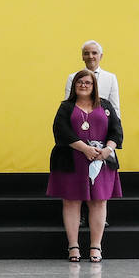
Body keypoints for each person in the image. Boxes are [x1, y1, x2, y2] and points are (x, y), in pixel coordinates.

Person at [47, 70, 122, 263]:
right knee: (71, 201)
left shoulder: (105, 106)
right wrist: (84, 148)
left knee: (99, 201)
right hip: (70, 160)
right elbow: (60, 131)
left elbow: (116, 131)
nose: (83, 85)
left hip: (101, 161)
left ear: (94, 85)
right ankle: (73, 246)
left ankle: (96, 247)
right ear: (74, 86)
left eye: (88, 82)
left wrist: (108, 150)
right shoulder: (66, 107)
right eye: (80, 82)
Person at [65, 41, 120, 116]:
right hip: (79, 121)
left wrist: (116, 126)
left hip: (103, 123)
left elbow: (115, 108)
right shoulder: (73, 78)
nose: (90, 56)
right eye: (86, 53)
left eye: (94, 53)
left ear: (101, 56)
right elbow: (68, 106)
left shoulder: (110, 78)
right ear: (82, 57)